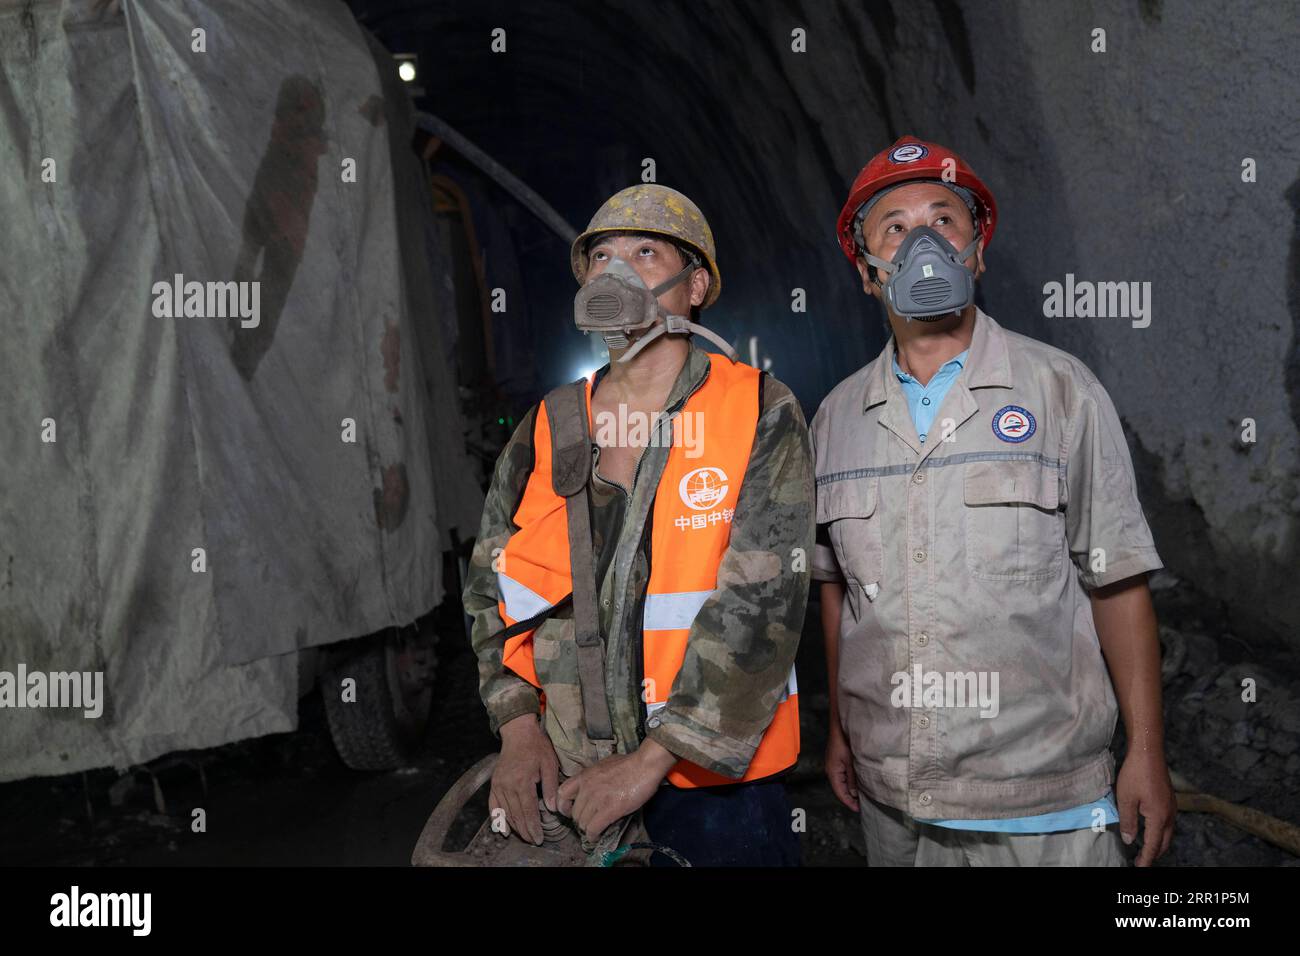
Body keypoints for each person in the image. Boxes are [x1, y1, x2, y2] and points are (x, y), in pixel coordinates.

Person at [812, 136, 1176, 866]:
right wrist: (843, 734)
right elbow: (839, 593)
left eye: (944, 220)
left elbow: (1118, 580)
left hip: (1045, 804)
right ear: (867, 272)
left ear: (977, 252)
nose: (922, 241)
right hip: (896, 802)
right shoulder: (836, 419)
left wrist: (1147, 752)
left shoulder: (1061, 391)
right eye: (895, 226)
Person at [462, 184, 814, 865]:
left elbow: (762, 605)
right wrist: (516, 728)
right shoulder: (550, 426)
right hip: (567, 774)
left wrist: (651, 761)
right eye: (600, 257)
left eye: (645, 252)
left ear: (697, 284)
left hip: (712, 785)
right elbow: (492, 589)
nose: (613, 272)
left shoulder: (758, 410)